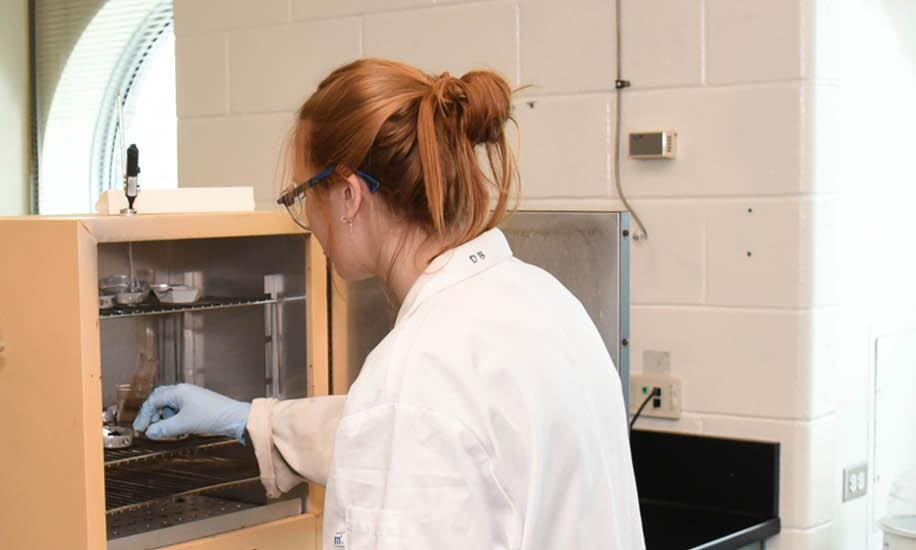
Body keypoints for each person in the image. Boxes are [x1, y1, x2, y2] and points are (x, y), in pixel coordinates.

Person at [132, 59, 645, 549]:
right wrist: (249, 420)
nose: (308, 218)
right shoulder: (542, 300)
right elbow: (420, 440)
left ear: (349, 196)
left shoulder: (420, 366)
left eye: (303, 194)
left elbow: (409, 425)